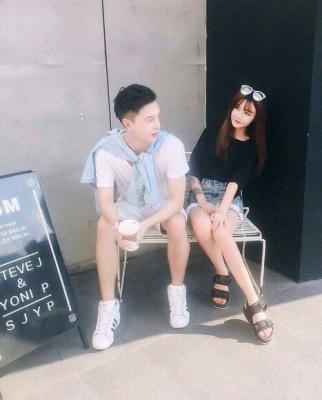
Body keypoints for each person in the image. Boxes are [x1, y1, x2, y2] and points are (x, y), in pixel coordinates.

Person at [81, 84, 190, 350]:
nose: (157, 125)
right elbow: (106, 202)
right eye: (149, 119)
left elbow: (177, 200)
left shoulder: (170, 145)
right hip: (131, 205)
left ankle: (177, 292)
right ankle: (108, 306)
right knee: (104, 224)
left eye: (158, 116)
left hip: (163, 204)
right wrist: (120, 226)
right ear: (128, 123)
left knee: (176, 221)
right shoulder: (107, 150)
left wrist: (145, 225)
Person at [187, 84, 273, 344]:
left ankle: (253, 301)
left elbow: (236, 183)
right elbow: (193, 170)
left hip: (229, 198)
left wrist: (222, 210)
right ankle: (222, 270)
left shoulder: (251, 148)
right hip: (201, 195)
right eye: (237, 107)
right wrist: (203, 202)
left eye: (247, 112)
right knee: (203, 227)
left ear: (255, 119)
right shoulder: (211, 132)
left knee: (221, 232)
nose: (239, 115)